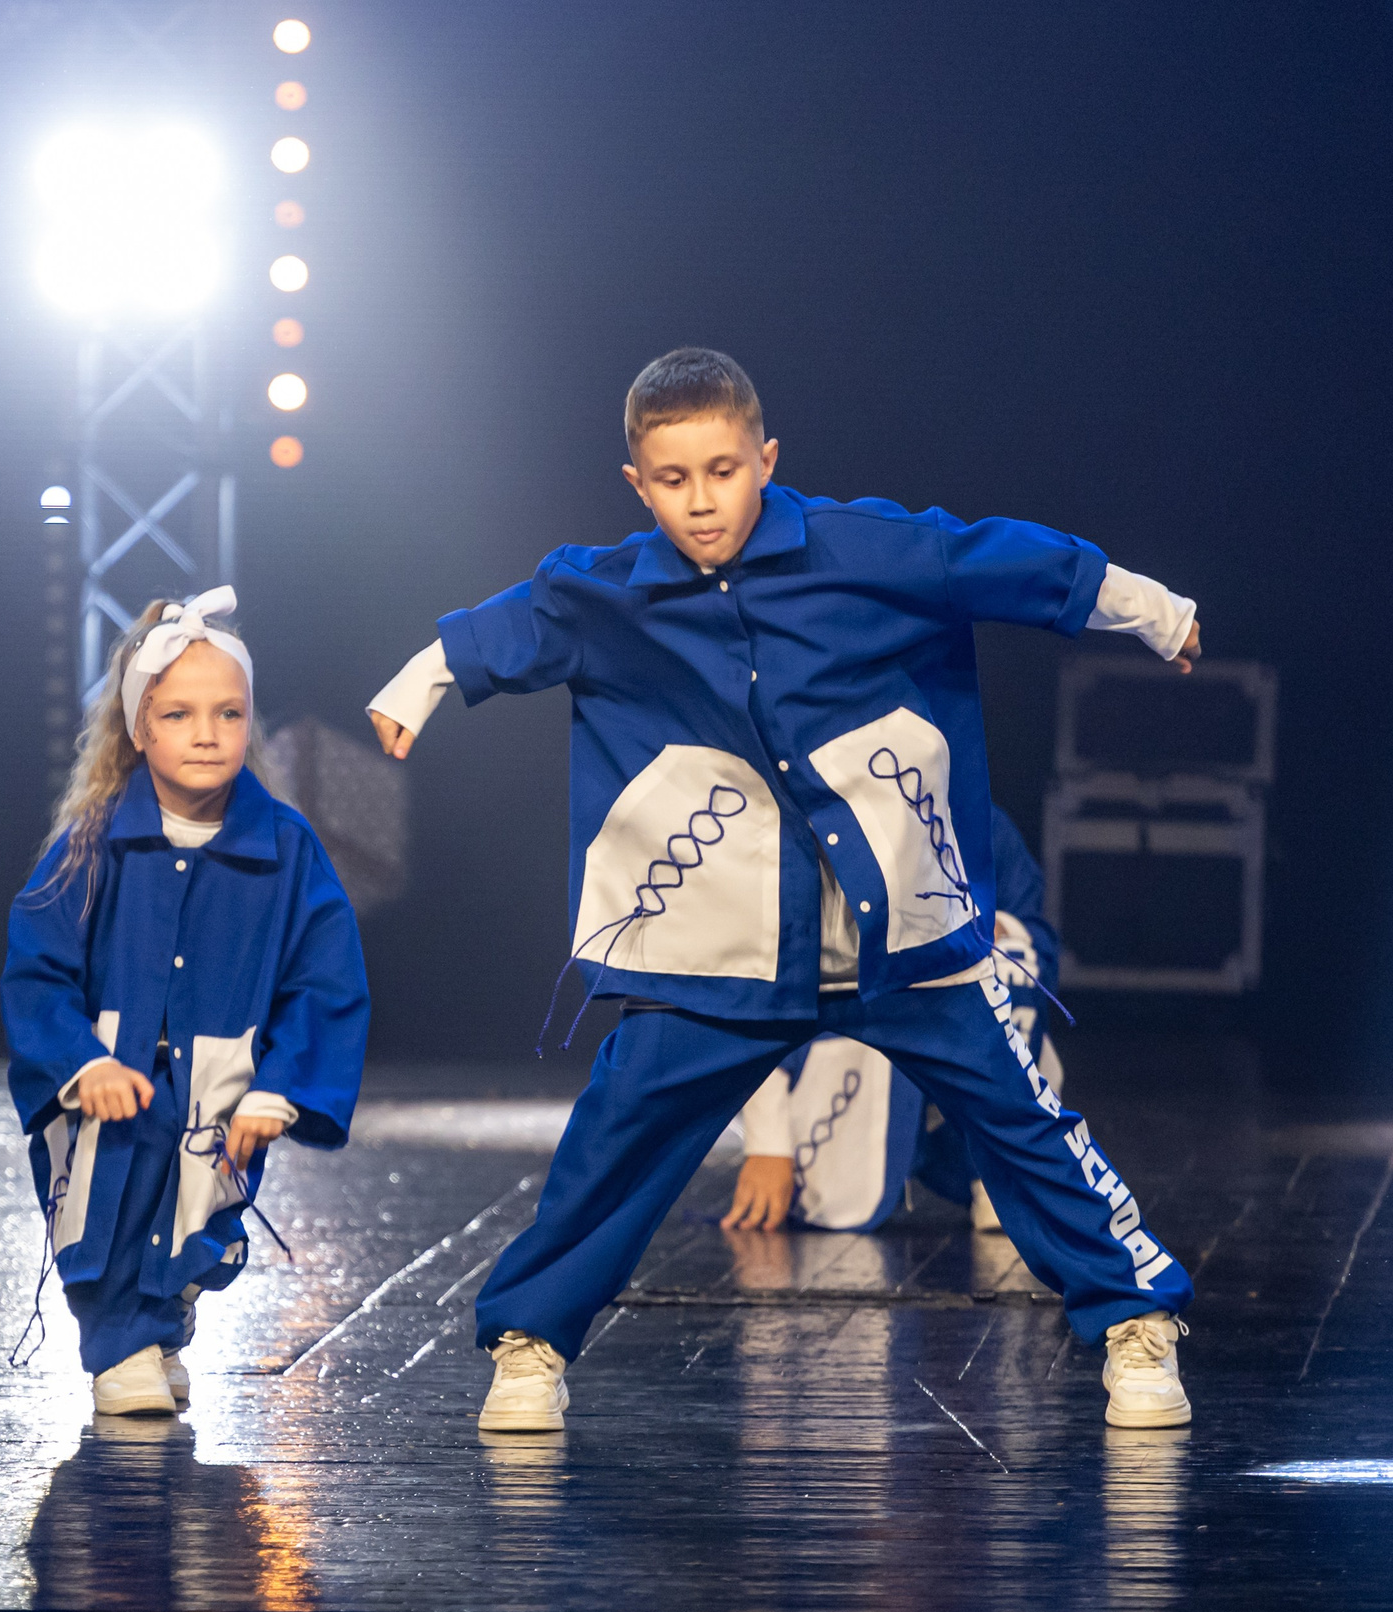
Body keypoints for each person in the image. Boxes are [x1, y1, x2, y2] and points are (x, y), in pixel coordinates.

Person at [366, 348, 1200, 1433]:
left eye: (722, 470)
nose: (701, 500)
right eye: (672, 480)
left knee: (1022, 1118)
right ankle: (529, 1343)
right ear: (636, 483)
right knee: (621, 1131)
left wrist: (1151, 610)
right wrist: (417, 685)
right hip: (728, 955)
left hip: (903, 934)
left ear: (765, 459)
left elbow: (995, 560)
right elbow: (520, 618)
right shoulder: (614, 593)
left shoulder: (862, 550)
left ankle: (1136, 1323)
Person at [3, 589, 368, 1416]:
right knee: (107, 1206)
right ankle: (119, 1345)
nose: (206, 732)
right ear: (139, 730)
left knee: (195, 1216)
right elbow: (37, 969)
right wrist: (78, 1060)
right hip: (110, 1074)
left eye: (228, 712)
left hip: (219, 1073)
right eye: (178, 713)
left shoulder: (285, 845)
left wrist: (286, 1085)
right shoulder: (91, 843)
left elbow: (326, 976)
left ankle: (159, 1319)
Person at [723, 808, 1061, 1235]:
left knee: (1013, 962)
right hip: (857, 1052)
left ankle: (1003, 1179)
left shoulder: (978, 818)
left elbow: (1038, 938)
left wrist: (993, 930)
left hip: (957, 1063)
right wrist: (768, 1145)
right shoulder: (823, 813)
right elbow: (767, 982)